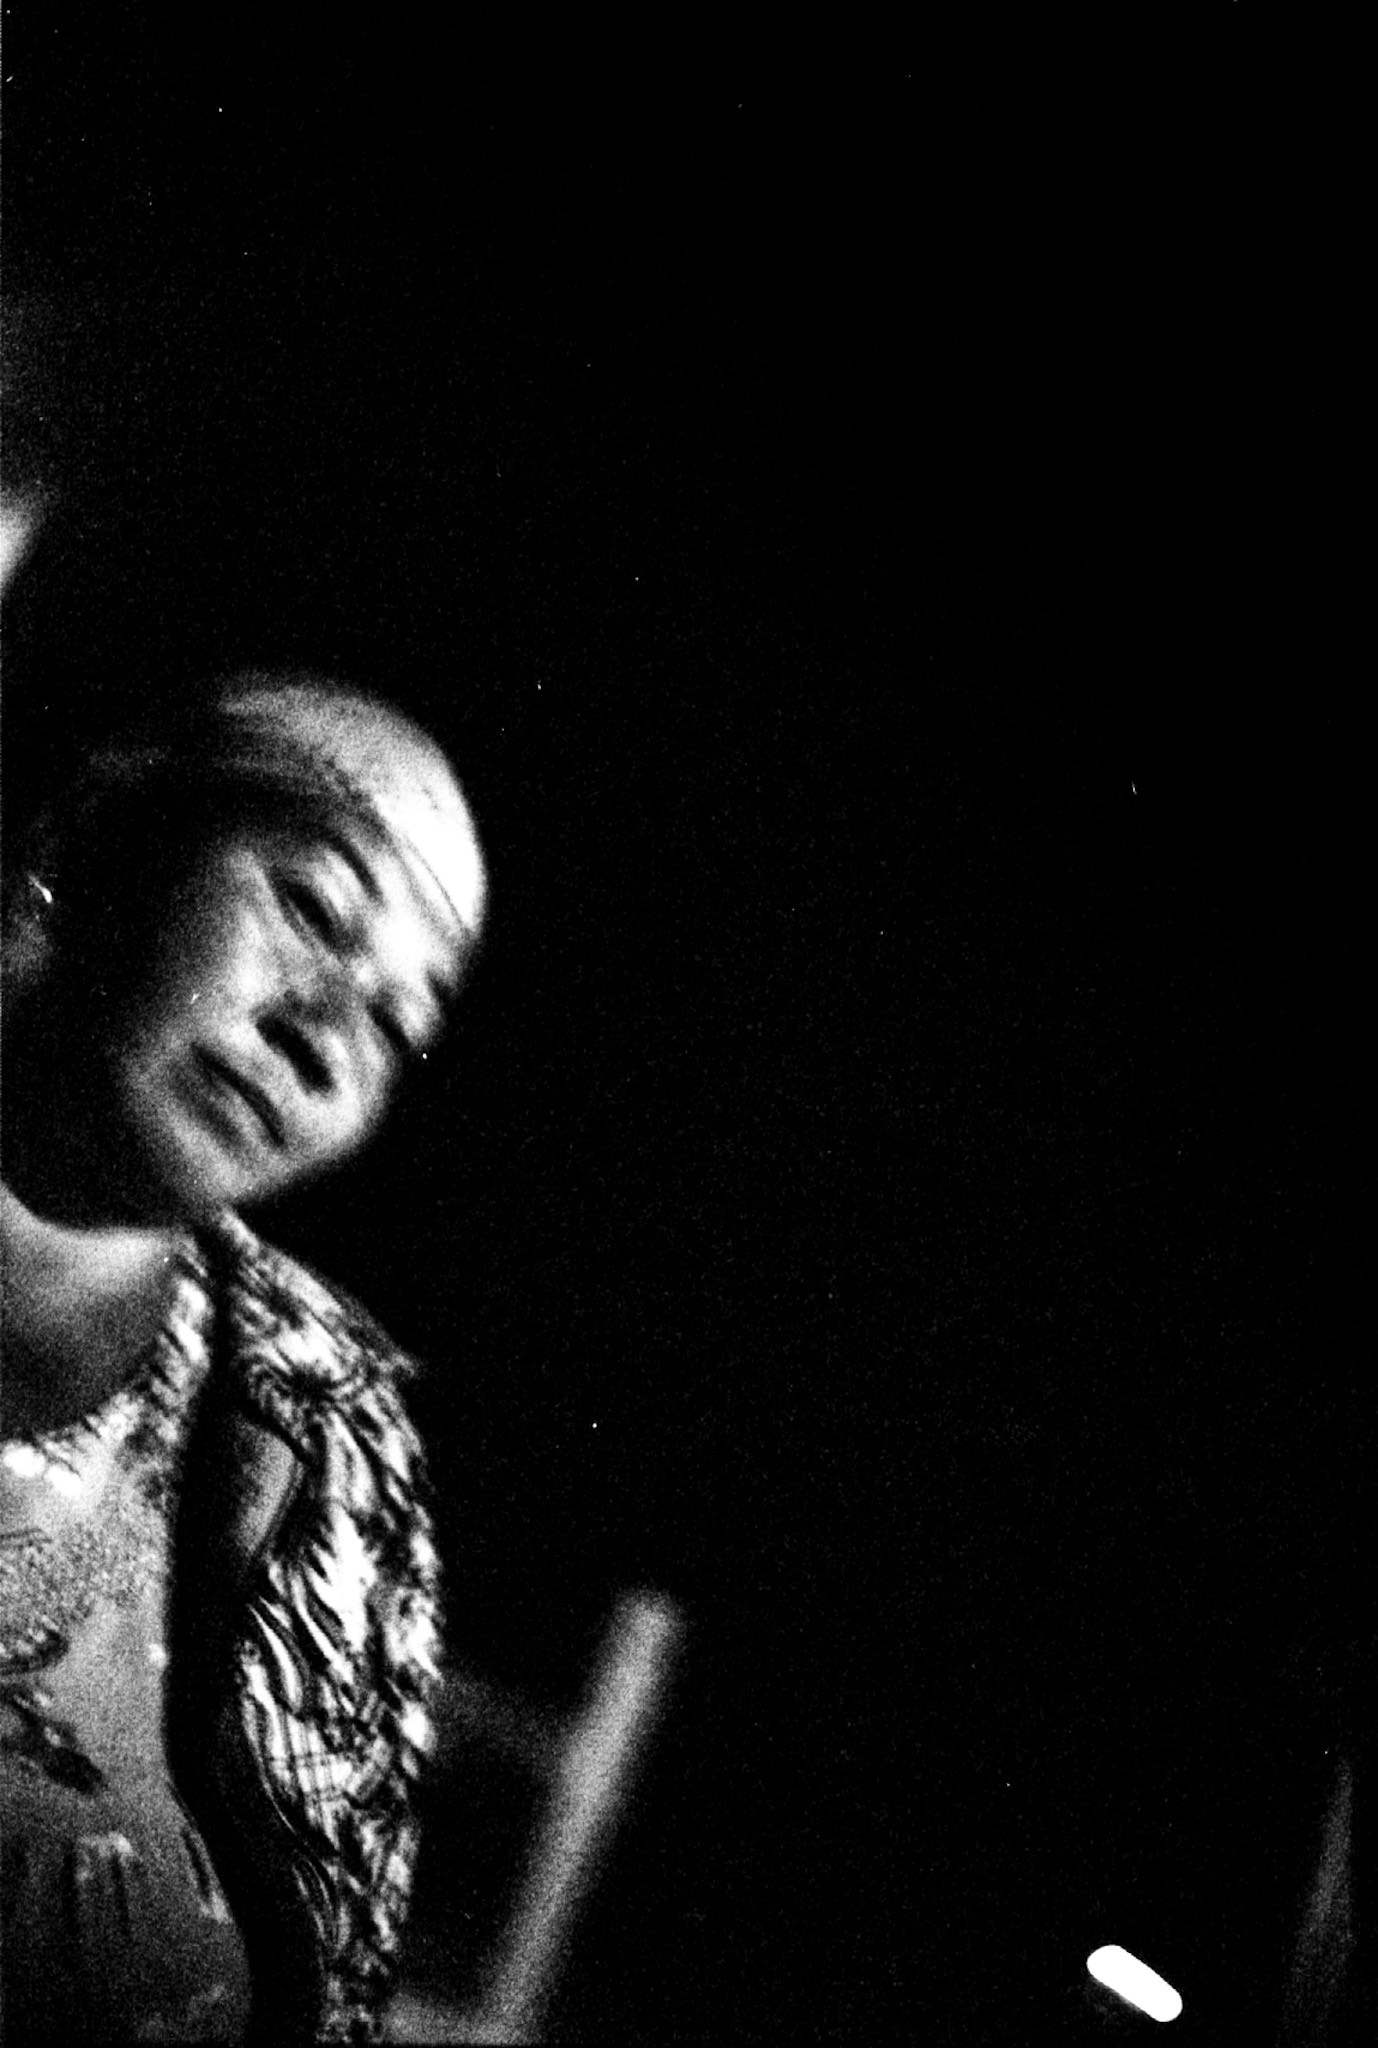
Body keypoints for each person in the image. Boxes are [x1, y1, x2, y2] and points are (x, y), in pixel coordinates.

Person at [1, 670, 487, 2042]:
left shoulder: (322, 1438)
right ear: (96, 836)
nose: (326, 1040)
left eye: (397, 1026)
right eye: (314, 912)